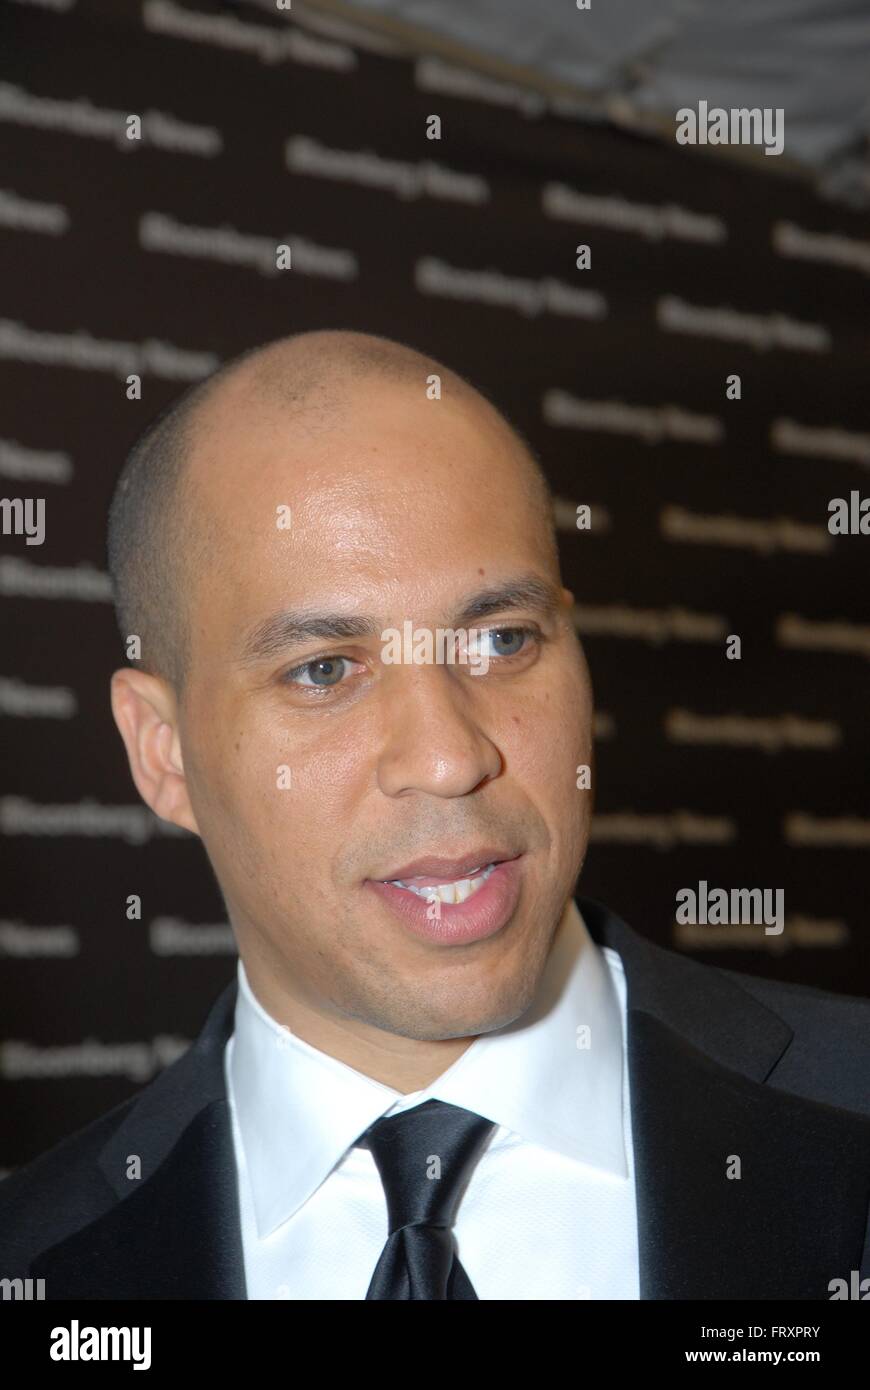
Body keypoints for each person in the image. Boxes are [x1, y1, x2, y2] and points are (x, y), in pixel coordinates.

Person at [1, 329, 869, 1300]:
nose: (453, 758)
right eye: (324, 670)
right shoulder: (37, 1260)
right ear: (162, 752)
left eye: (502, 638)